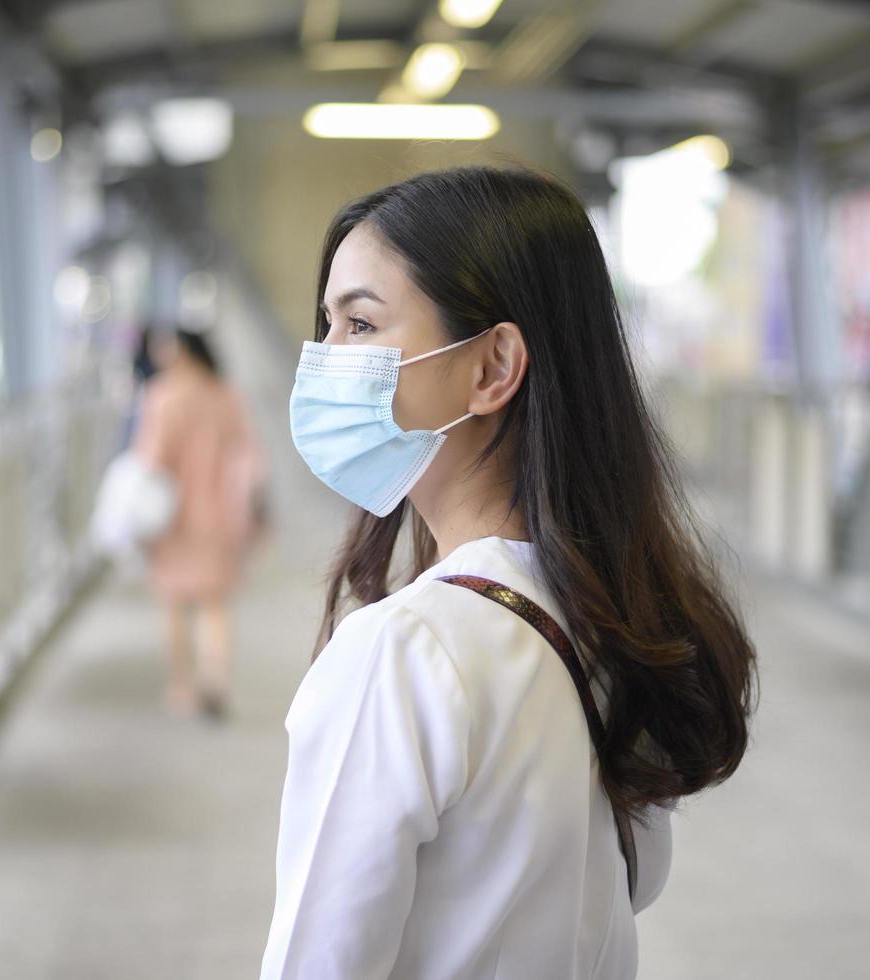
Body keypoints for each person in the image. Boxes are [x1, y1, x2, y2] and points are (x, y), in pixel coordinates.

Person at [261, 166, 759, 978]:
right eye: (326, 326)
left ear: (491, 367)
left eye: (359, 324)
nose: (321, 361)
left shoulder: (404, 654)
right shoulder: (612, 621)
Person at [131, 326, 264, 720]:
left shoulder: (162, 397)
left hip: (173, 521)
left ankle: (182, 687)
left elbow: (151, 461)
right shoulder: (225, 395)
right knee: (215, 605)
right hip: (221, 518)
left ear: (181, 352)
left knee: (173, 604)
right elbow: (249, 454)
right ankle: (216, 680)